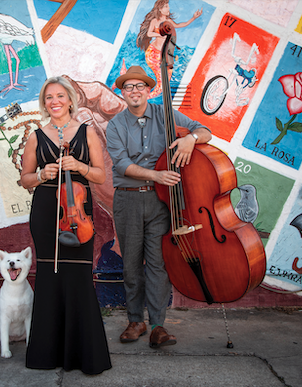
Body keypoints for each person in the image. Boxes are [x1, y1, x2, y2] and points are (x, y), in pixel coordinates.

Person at [106, 66, 211, 348]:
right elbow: (122, 165)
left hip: (162, 200)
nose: (135, 91)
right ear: (123, 93)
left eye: (140, 86)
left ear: (149, 90)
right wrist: (156, 175)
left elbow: (205, 132)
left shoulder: (165, 114)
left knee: (157, 263)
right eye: (129, 87)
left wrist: (190, 138)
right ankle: (135, 320)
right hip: (128, 198)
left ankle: (157, 326)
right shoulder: (115, 125)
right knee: (130, 264)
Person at [21, 76, 111, 375]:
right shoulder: (36, 136)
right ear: (44, 103)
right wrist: (42, 174)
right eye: (49, 97)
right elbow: (25, 180)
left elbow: (99, 176)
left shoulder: (87, 133)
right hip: (46, 213)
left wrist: (80, 167)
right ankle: (46, 354)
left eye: (60, 96)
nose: (54, 101)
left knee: (78, 279)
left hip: (78, 213)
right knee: (50, 277)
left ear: (71, 100)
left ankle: (85, 355)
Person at [136, 0, 202, 99]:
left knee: (163, 84)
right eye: (166, 6)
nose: (169, 8)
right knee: (160, 82)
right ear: (160, 9)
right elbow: (149, 33)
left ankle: (142, 97)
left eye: (168, 6)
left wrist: (194, 18)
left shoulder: (169, 21)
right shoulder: (155, 21)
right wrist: (160, 34)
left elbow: (180, 25)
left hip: (164, 55)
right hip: (153, 54)